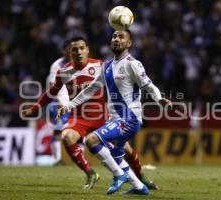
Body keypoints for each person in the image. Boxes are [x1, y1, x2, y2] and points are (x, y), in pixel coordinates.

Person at [23, 36, 159, 190]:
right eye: (75, 49)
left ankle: (141, 177)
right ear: (69, 52)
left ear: (87, 50)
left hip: (102, 117)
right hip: (79, 118)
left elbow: (120, 83)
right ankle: (90, 173)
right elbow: (51, 92)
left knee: (126, 150)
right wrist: (34, 108)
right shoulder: (63, 72)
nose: (79, 52)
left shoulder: (100, 65)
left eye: (82, 48)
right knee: (67, 136)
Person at [58, 30, 171, 195]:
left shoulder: (133, 63)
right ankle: (140, 187)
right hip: (114, 119)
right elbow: (91, 90)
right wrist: (69, 105)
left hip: (129, 119)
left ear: (129, 43)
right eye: (114, 37)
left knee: (91, 140)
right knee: (116, 155)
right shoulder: (107, 66)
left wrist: (159, 98)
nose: (116, 39)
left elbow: (148, 85)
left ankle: (119, 176)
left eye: (121, 37)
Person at [47, 41, 71, 166]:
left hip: (74, 102)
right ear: (63, 50)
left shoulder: (80, 64)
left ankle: (78, 158)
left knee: (80, 130)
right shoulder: (57, 65)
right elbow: (52, 86)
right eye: (67, 49)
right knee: (58, 130)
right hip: (59, 102)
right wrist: (59, 102)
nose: (70, 51)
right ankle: (57, 159)